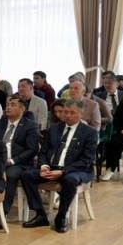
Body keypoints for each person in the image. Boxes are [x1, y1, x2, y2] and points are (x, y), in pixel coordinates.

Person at [20, 99, 98, 232]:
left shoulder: (89, 132)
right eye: (65, 112)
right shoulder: (54, 128)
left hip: (76, 170)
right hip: (52, 167)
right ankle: (40, 214)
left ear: (81, 114)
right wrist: (44, 166)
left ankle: (61, 216)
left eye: (72, 112)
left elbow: (86, 160)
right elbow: (43, 152)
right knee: (27, 175)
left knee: (70, 180)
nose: (67, 115)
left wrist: (64, 171)